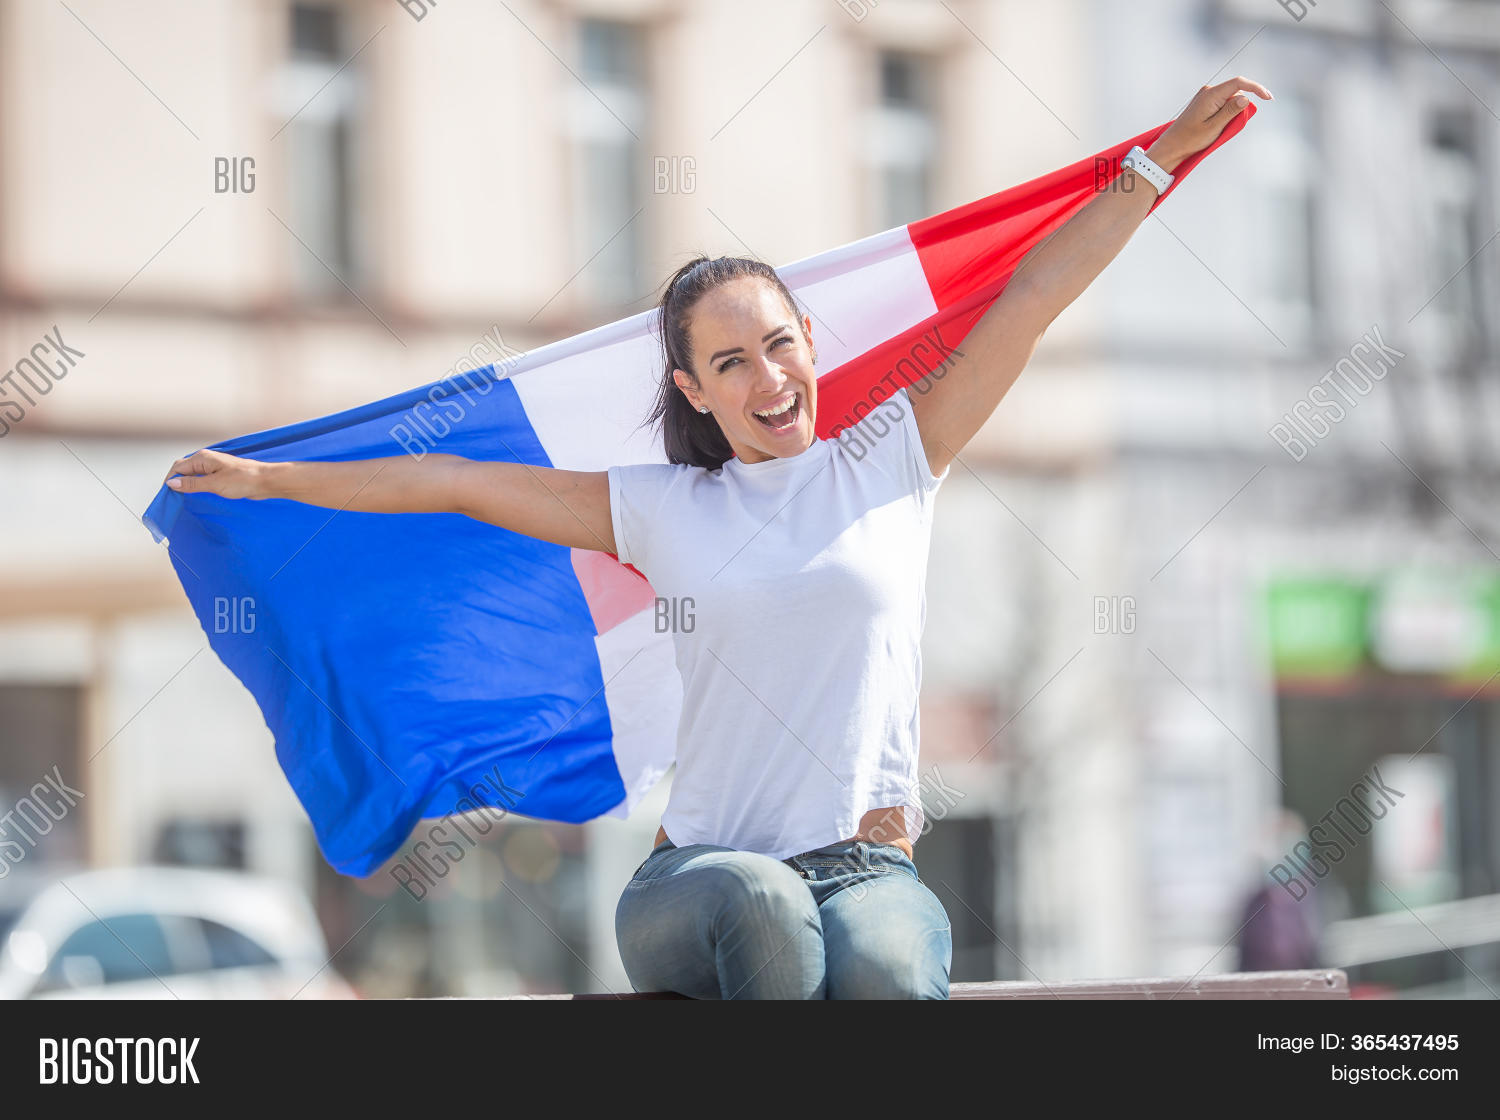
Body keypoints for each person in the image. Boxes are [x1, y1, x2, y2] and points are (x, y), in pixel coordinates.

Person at [163, 77, 1270, 999]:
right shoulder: (662, 507)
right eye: (730, 363)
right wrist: (268, 477)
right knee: (766, 906)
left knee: (884, 963)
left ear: (810, 351)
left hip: (865, 869)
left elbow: (1030, 295)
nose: (766, 377)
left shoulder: (894, 460)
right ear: (695, 386)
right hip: (697, 882)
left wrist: (1159, 160)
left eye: (780, 346)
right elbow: (456, 480)